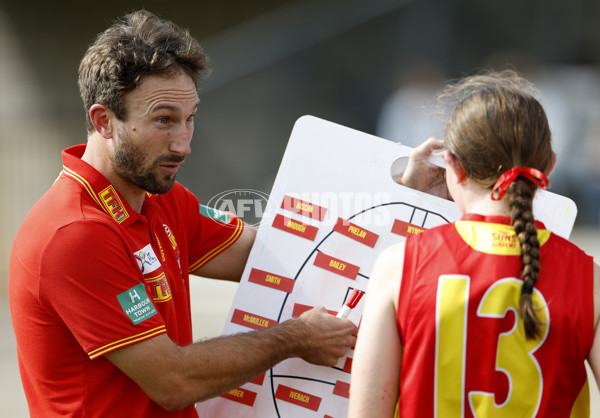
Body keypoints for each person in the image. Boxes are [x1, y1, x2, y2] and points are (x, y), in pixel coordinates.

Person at [8, 10, 357, 418]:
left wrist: (403, 190)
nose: (183, 144)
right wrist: (295, 338)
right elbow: (173, 382)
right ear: (104, 121)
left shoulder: (159, 195)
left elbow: (270, 252)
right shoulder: (75, 233)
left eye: (189, 119)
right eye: (164, 120)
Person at [349, 70, 600, 417]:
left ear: (451, 163)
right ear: (549, 166)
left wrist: (407, 198)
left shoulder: (399, 265)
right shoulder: (590, 280)